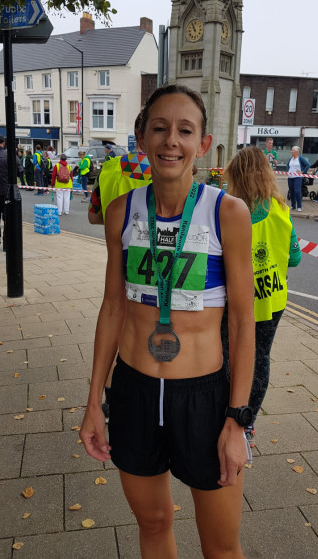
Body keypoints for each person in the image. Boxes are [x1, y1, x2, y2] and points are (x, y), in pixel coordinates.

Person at [79, 84, 254, 558]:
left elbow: (242, 323)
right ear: (142, 138)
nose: (170, 140)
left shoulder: (227, 213)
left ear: (203, 143)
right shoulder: (121, 212)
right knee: (154, 525)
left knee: (220, 547)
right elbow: (112, 308)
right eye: (159, 128)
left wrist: (239, 421)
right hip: (134, 393)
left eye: (184, 130)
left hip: (204, 400)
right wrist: (94, 401)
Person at [221, 146, 301, 447]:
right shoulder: (282, 209)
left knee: (227, 356)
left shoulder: (228, 210)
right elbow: (294, 259)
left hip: (235, 302)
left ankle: (227, 415)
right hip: (271, 299)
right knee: (260, 356)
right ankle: (248, 421)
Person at [286, 146, 310, 212]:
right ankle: (293, 205)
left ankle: (299, 206)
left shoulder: (300, 158)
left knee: (297, 191)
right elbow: (287, 165)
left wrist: (302, 171)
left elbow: (308, 165)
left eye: (292, 150)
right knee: (291, 191)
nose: (291, 151)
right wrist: (288, 170)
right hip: (290, 178)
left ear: (296, 152)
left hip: (297, 178)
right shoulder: (291, 158)